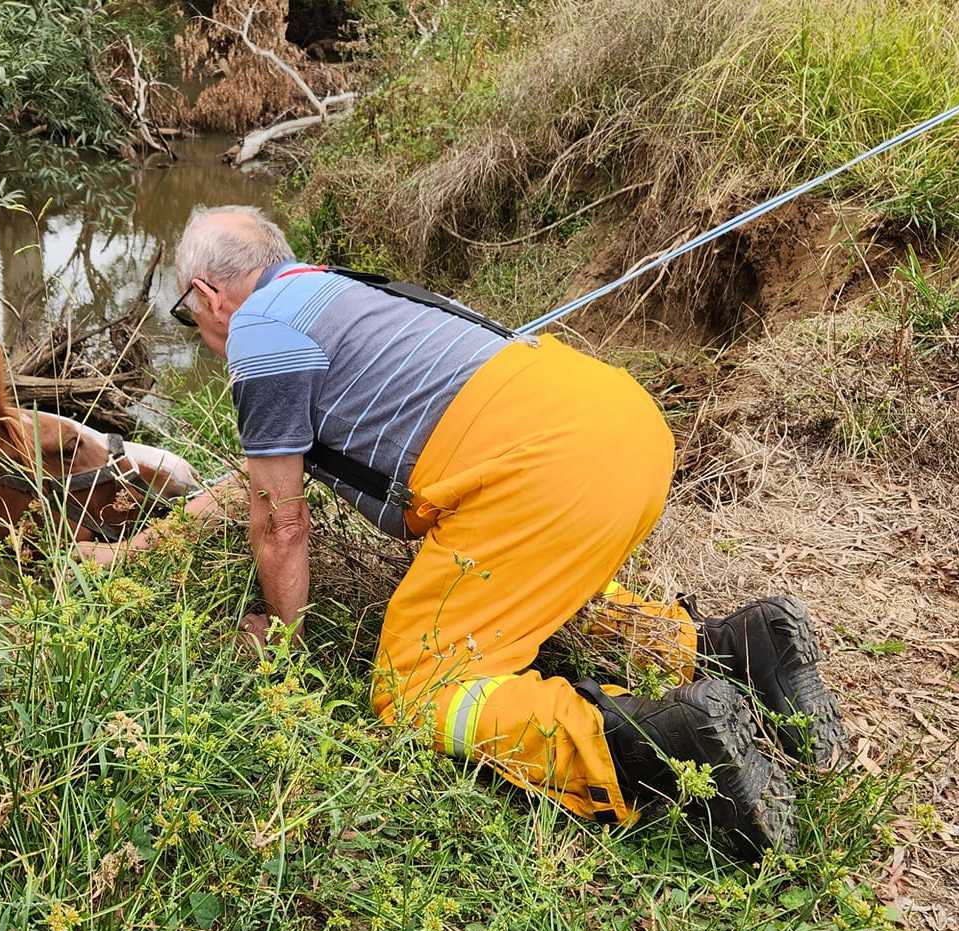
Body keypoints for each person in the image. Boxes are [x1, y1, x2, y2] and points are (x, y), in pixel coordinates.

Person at [104, 204, 850, 854]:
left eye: (184, 314)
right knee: (525, 589)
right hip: (620, 428)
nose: (195, 329)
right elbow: (257, 480)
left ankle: (657, 743)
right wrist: (135, 549)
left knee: (414, 684)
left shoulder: (257, 338)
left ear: (207, 295)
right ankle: (732, 647)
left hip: (541, 469)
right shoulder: (341, 291)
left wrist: (283, 643)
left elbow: (278, 518)